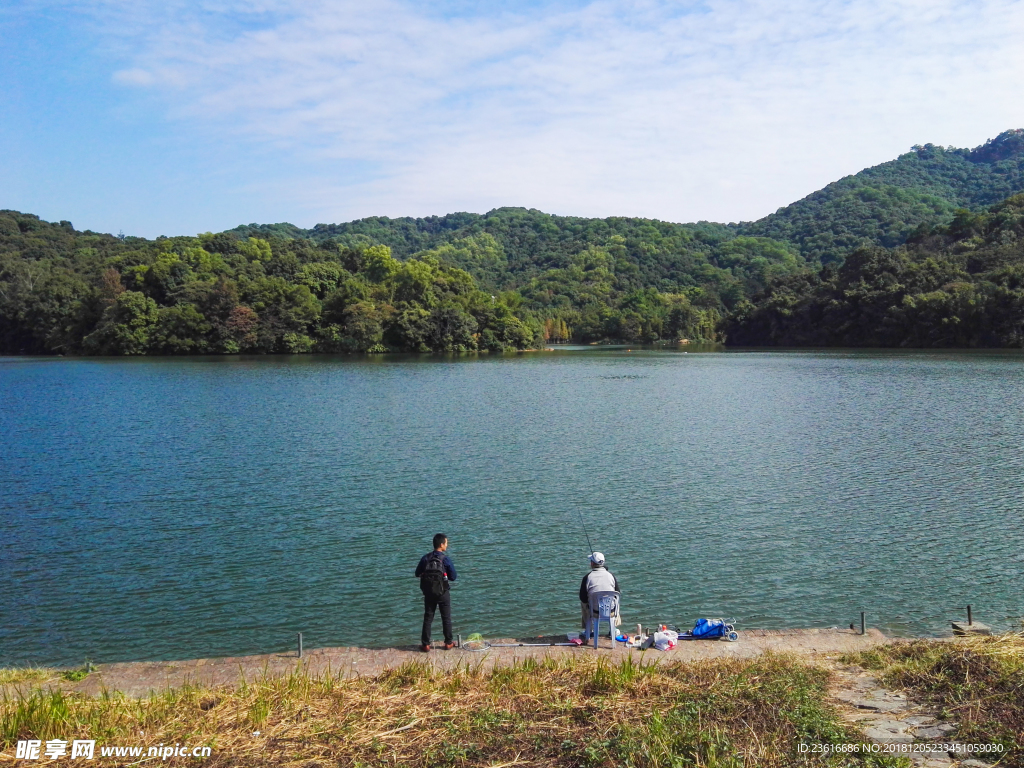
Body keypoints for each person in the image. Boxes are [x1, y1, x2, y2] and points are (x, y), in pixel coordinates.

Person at [415, 533, 458, 652]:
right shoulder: (445, 559)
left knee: (428, 618)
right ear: (441, 544)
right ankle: (448, 643)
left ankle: (425, 644)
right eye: (446, 543)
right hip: (443, 592)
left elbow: (417, 573)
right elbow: (453, 577)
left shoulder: (425, 558)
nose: (447, 545)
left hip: (429, 593)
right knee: (446, 618)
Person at [579, 552, 620, 641]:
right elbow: (618, 592)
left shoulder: (587, 577)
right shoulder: (611, 575)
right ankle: (613, 629)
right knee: (615, 600)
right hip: (611, 611)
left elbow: (582, 597)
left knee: (583, 603)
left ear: (592, 563)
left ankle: (588, 630)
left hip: (594, 612)